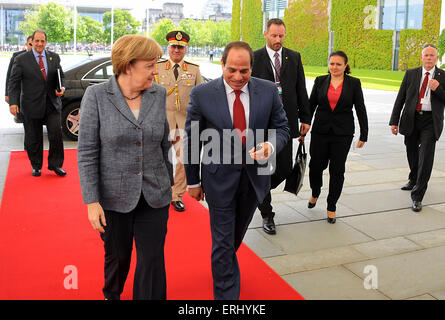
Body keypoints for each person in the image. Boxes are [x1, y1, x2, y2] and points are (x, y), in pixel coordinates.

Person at [184, 41, 290, 299]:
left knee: (232, 238)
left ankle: (221, 266)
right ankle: (226, 295)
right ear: (222, 65)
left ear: (252, 68)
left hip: (254, 180)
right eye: (232, 70)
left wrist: (270, 145)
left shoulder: (267, 91)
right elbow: (192, 139)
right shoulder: (202, 94)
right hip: (218, 179)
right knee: (222, 241)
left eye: (244, 71)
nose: (238, 77)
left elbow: (282, 128)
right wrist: (193, 182)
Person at [77, 35, 173, 300]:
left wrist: (170, 185)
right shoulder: (96, 96)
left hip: (155, 195)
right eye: (150, 65)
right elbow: (86, 152)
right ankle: (112, 295)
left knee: (152, 261)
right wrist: (91, 201)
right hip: (113, 199)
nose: (156, 70)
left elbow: (164, 143)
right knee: (118, 259)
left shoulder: (158, 94)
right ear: (129, 65)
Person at [252, 18, 311, 235]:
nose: (278, 40)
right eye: (274, 35)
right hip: (260, 123)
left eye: (281, 36)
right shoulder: (255, 57)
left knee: (284, 168)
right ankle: (267, 213)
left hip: (285, 123)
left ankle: (258, 190)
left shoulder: (293, 57)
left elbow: (301, 89)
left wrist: (306, 117)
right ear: (266, 33)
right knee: (264, 168)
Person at [307, 51, 368, 223]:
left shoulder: (354, 83)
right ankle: (315, 191)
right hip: (320, 131)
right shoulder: (320, 81)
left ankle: (331, 205)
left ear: (345, 65)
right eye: (332, 63)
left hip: (343, 134)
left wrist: (364, 133)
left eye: (338, 64)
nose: (334, 67)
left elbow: (360, 108)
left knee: (337, 170)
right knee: (316, 166)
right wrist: (305, 125)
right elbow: (311, 105)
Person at [390, 44, 445, 212]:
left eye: (432, 55)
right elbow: (401, 98)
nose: (429, 58)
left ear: (436, 58)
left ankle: (417, 196)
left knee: (426, 157)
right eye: (426, 55)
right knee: (411, 151)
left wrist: (438, 89)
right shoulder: (411, 74)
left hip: (430, 121)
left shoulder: (443, 76)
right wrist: (394, 121)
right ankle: (414, 178)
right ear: (421, 58)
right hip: (411, 119)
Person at [156, 30, 203, 212]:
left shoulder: (193, 69)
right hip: (162, 122)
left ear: (186, 49)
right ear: (168, 47)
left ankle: (176, 195)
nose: (177, 50)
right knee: (159, 159)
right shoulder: (158, 67)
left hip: (185, 123)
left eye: (180, 47)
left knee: (184, 160)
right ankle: (160, 191)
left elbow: (200, 96)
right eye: (174, 46)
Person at [8, 30, 66, 177]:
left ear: (46, 42)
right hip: (30, 104)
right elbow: (13, 83)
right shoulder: (21, 59)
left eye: (43, 41)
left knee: (56, 135)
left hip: (52, 104)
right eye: (37, 41)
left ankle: (55, 165)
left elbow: (61, 76)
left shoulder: (54, 57)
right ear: (31, 42)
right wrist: (13, 102)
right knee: (34, 137)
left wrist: (62, 87)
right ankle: (36, 165)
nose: (40, 44)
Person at [5, 35, 32, 124]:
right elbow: (10, 76)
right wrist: (7, 94)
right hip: (20, 92)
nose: (32, 46)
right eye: (30, 44)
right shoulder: (17, 56)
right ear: (26, 44)